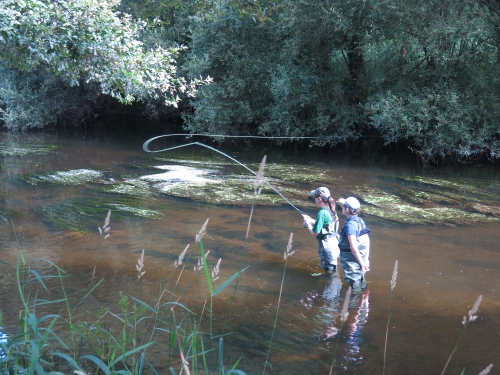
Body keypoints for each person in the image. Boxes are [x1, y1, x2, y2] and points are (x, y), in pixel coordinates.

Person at [302, 187, 340, 274]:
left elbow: (315, 233)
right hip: (335, 243)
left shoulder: (322, 213)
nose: (314, 198)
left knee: (329, 273)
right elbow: (327, 225)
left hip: (327, 246)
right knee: (333, 269)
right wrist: (311, 220)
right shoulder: (332, 208)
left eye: (314, 196)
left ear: (319, 198)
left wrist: (308, 224)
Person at [338, 197, 370, 292]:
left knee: (353, 287)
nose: (342, 207)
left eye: (343, 206)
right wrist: (365, 260)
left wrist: (361, 263)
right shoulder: (360, 221)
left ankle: (353, 305)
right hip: (362, 257)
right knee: (361, 279)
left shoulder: (350, 226)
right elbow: (366, 241)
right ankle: (364, 297)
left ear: (347, 209)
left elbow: (354, 248)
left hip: (352, 261)